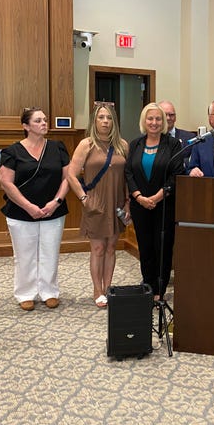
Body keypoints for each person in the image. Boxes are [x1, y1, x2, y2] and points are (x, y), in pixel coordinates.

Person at [0, 108, 70, 311]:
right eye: (38, 120)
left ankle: (49, 292)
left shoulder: (58, 148)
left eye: (45, 120)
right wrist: (28, 206)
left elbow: (68, 177)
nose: (44, 123)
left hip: (53, 210)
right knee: (24, 255)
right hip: (21, 212)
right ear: (26, 126)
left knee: (50, 252)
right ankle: (25, 293)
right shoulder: (12, 152)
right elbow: (6, 183)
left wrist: (56, 201)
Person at [68, 102, 129, 308]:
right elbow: (71, 175)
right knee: (98, 249)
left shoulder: (123, 145)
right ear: (94, 121)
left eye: (109, 118)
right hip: (95, 203)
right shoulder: (87, 144)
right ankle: (97, 290)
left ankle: (109, 288)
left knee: (112, 248)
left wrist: (128, 203)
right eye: (101, 117)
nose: (105, 121)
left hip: (117, 203)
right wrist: (84, 199)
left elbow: (128, 178)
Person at [125, 103, 185, 298]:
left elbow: (176, 174)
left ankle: (159, 289)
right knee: (145, 247)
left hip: (164, 205)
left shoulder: (173, 144)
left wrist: (158, 196)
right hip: (139, 206)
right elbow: (128, 173)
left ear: (164, 122)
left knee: (163, 248)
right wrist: (139, 197)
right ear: (144, 121)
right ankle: (148, 285)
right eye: (150, 118)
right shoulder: (135, 144)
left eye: (158, 118)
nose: (154, 122)